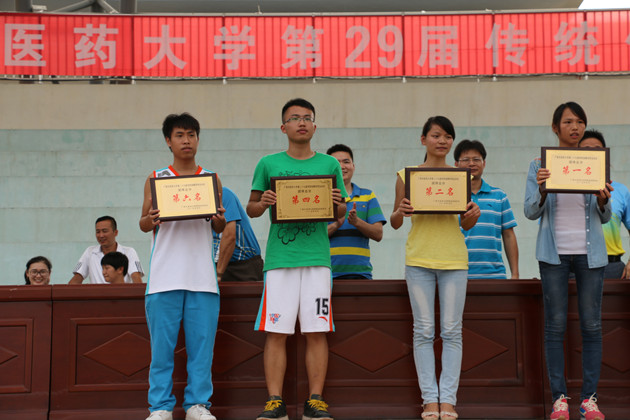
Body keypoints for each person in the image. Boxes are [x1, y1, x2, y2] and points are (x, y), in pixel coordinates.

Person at [246, 98, 347, 420]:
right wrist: (264, 202)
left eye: (307, 117)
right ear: (283, 127)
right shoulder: (268, 164)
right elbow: (251, 209)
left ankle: (315, 401)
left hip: (317, 259)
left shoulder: (329, 165)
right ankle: (275, 402)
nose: (301, 122)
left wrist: (338, 203)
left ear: (314, 126)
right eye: (294, 118)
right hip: (280, 260)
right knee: (276, 332)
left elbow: (341, 210)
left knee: (317, 330)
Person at [524, 102, 610, 420]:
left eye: (580, 122)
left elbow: (605, 215)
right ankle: (559, 399)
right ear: (555, 127)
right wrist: (542, 190)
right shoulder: (539, 165)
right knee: (555, 325)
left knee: (592, 325)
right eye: (568, 122)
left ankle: (589, 400)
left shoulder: (595, 162)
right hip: (554, 254)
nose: (575, 127)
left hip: (591, 254)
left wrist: (603, 200)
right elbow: (530, 211)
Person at [390, 116, 480, 420]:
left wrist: (473, 215)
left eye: (447, 137)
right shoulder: (406, 175)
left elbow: (465, 222)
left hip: (454, 260)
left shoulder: (459, 177)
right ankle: (430, 400)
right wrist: (401, 211)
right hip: (419, 260)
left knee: (452, 331)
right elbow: (395, 221)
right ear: (423, 139)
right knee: (424, 331)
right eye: (436, 135)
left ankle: (448, 401)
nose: (442, 141)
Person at [140, 113, 226, 420]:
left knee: (202, 349)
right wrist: (151, 219)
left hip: (202, 277)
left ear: (198, 139)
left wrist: (218, 219)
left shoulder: (211, 178)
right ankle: (161, 407)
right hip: (164, 278)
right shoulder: (157, 177)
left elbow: (219, 226)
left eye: (191, 134)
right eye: (179, 135)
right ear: (168, 140)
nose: (186, 140)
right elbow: (143, 223)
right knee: (161, 350)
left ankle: (197, 405)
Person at [454, 139, 519, 279]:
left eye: (476, 159)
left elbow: (508, 235)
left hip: (495, 275)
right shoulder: (450, 197)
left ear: (484, 163)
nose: (471, 163)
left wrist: (515, 274)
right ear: (456, 164)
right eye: (466, 159)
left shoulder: (499, 196)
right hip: (456, 274)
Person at [326, 144, 386, 279]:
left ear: (353, 166)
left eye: (346, 162)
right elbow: (314, 238)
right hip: (326, 273)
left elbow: (378, 234)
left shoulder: (368, 195)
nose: (342, 166)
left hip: (360, 274)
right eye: (336, 163)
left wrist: (357, 222)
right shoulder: (319, 198)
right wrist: (336, 225)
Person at [579, 129, 630, 280]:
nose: (591, 154)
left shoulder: (620, 190)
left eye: (597, 150)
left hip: (612, 268)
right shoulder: (563, 190)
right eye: (586, 150)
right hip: (574, 267)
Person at [68, 215, 144, 284]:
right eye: (98, 232)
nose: (101, 235)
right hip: (97, 295)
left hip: (121, 294)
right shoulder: (90, 252)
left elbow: (136, 278)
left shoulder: (129, 252)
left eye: (105, 231)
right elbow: (77, 278)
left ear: (115, 232)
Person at [213, 186, 263, 282]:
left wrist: (218, 274)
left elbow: (229, 236)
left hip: (242, 264)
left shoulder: (222, 194)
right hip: (211, 264)